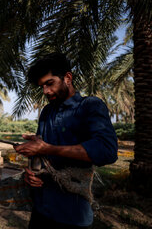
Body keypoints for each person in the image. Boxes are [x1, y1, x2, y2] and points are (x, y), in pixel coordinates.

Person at [14, 53, 118, 229]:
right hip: (41, 210)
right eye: (42, 87)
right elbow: (40, 157)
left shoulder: (90, 106)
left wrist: (47, 149)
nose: (46, 91)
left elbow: (107, 150)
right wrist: (32, 173)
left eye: (49, 83)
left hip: (73, 215)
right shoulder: (47, 112)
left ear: (67, 78)